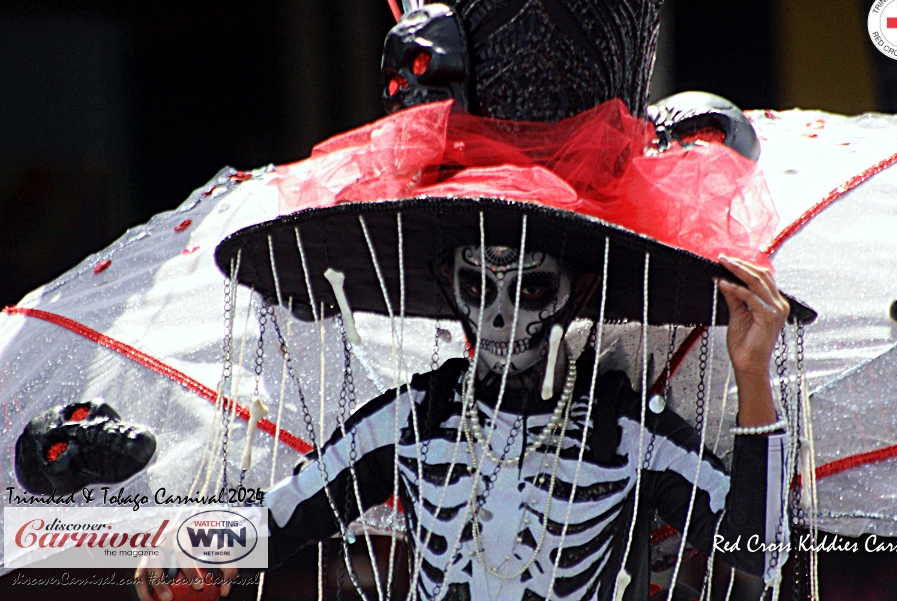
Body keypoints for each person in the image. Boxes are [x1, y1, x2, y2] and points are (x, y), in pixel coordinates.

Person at [137, 248, 790, 601]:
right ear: (452, 286)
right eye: (481, 287)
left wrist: (752, 373)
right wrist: (197, 551)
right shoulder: (416, 414)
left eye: (530, 288)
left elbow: (758, 544)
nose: (502, 316)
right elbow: (282, 517)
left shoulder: (622, 424)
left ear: (579, 290)